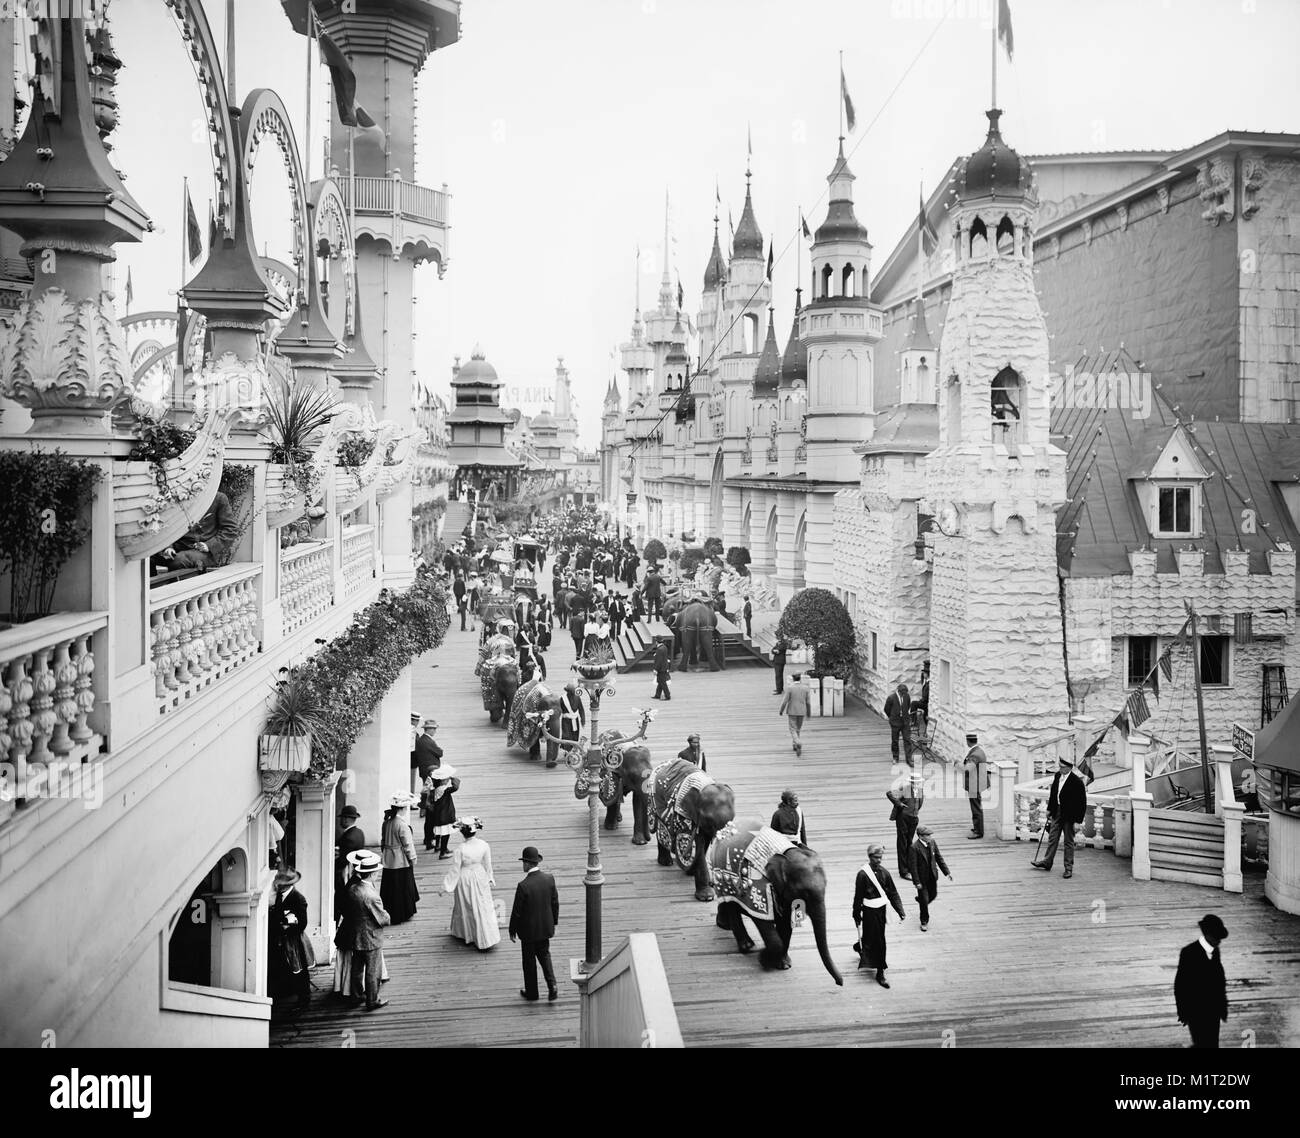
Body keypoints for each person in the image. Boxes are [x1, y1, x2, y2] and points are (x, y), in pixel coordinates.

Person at [335, 850, 390, 1011]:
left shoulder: (353, 888)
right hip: (370, 937)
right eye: (377, 872)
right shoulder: (371, 895)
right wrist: (387, 916)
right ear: (371, 874)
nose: (378, 875)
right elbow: (383, 918)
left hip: (356, 935)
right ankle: (372, 1000)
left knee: (357, 969)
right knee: (373, 971)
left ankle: (356, 996)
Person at [509, 845, 560, 1002]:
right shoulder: (549, 879)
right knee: (545, 956)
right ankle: (552, 986)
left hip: (529, 933)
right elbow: (555, 903)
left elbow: (517, 912)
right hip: (545, 928)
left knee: (529, 962)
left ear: (527, 863)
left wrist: (512, 930)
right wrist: (554, 921)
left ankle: (532, 993)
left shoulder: (523, 886)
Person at [853, 843, 905, 988]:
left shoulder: (885, 873)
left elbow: (893, 893)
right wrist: (856, 914)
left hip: (881, 911)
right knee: (871, 936)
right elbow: (858, 897)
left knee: (879, 940)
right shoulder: (863, 874)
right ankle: (861, 947)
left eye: (880, 857)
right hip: (868, 912)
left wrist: (900, 910)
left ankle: (880, 972)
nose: (879, 860)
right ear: (870, 857)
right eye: (876, 858)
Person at [443, 818, 500, 951]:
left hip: (465, 877)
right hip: (479, 874)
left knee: (466, 905)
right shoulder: (484, 845)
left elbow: (455, 870)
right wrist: (489, 876)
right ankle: (486, 935)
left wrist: (446, 886)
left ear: (462, 832)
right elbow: (487, 863)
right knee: (482, 904)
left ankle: (466, 933)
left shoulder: (461, 849)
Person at [150, 490, 239, 573]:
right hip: (176, 548)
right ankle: (150, 588)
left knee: (178, 560)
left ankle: (174, 589)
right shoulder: (177, 497)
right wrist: (168, 547)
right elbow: (167, 525)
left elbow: (231, 529)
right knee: (145, 560)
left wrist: (209, 545)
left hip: (204, 553)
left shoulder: (218, 498)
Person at [1175, 915, 1230, 1048]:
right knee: (1203, 1043)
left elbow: (1219, 982)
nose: (1219, 941)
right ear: (1208, 935)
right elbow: (1181, 985)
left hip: (1213, 1011)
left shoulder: (1215, 951)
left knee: (1211, 1044)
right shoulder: (1189, 953)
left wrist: (1222, 1007)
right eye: (1217, 938)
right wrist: (1183, 1011)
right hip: (1196, 1011)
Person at [1032, 755, 1088, 879]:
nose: (1060, 769)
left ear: (1069, 768)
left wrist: (1078, 821)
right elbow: (1054, 794)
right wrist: (1049, 809)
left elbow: (1082, 803)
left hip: (1069, 815)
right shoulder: (1057, 776)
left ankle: (1068, 868)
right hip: (1057, 812)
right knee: (1052, 838)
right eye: (1060, 767)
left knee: (1068, 842)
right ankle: (1047, 862)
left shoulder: (1077, 782)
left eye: (1063, 767)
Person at [268, 868, 315, 1008]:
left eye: (281, 884)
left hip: (294, 940)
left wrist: (286, 927)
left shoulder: (298, 899)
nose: (277, 886)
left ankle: (304, 998)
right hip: (280, 939)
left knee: (299, 968)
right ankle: (287, 991)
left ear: (288, 885)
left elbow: (302, 924)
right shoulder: (278, 896)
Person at [379, 792, 419, 924]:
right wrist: (412, 859)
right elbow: (408, 845)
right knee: (403, 887)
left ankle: (391, 913)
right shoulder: (402, 825)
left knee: (390, 888)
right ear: (402, 809)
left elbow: (383, 841)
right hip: (401, 860)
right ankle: (404, 913)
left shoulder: (387, 823)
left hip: (388, 860)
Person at [908, 824, 952, 932]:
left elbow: (938, 857)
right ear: (920, 836)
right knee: (924, 900)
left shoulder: (932, 843)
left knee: (933, 895)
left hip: (932, 876)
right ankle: (924, 921)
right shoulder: (914, 848)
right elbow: (913, 867)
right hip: (921, 879)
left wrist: (946, 872)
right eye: (927, 835)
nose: (929, 837)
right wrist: (916, 882)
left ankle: (922, 900)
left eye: (930, 835)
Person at [885, 774, 925, 880]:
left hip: (913, 818)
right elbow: (890, 793)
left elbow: (919, 804)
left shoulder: (920, 791)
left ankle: (909, 867)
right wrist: (899, 804)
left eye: (918, 782)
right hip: (903, 818)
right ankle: (903, 871)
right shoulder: (905, 788)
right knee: (902, 843)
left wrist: (915, 813)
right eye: (915, 782)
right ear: (911, 782)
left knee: (909, 843)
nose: (917, 784)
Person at [334, 805, 365, 920]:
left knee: (341, 901)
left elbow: (342, 861)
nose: (341, 820)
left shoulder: (348, 837)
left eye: (342, 818)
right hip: (356, 872)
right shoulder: (359, 832)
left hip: (346, 874)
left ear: (346, 819)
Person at [425, 764, 460, 859]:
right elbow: (455, 787)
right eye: (447, 779)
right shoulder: (443, 790)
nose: (448, 780)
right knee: (445, 834)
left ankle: (441, 848)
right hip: (445, 816)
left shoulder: (437, 789)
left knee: (442, 833)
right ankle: (443, 852)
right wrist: (453, 778)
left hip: (440, 816)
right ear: (443, 780)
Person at [963, 732, 988, 839]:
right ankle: (977, 827)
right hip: (977, 782)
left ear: (968, 741)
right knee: (977, 806)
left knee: (976, 808)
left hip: (974, 784)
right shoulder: (979, 751)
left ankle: (978, 831)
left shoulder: (974, 754)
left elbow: (968, 769)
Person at [778, 672, 811, 756]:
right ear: (800, 678)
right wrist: (809, 713)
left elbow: (785, 701)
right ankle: (795, 745)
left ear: (793, 679)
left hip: (792, 711)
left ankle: (798, 742)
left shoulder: (790, 688)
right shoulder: (806, 688)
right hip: (802, 711)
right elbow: (808, 702)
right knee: (798, 729)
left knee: (792, 729)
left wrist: (781, 710)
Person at [883, 683, 914, 765]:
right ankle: (895, 757)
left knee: (907, 740)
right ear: (899, 692)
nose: (903, 695)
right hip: (895, 722)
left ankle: (909, 759)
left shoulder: (907, 696)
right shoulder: (891, 698)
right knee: (895, 740)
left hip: (905, 722)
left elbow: (908, 706)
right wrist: (892, 717)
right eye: (902, 694)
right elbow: (886, 709)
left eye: (905, 694)